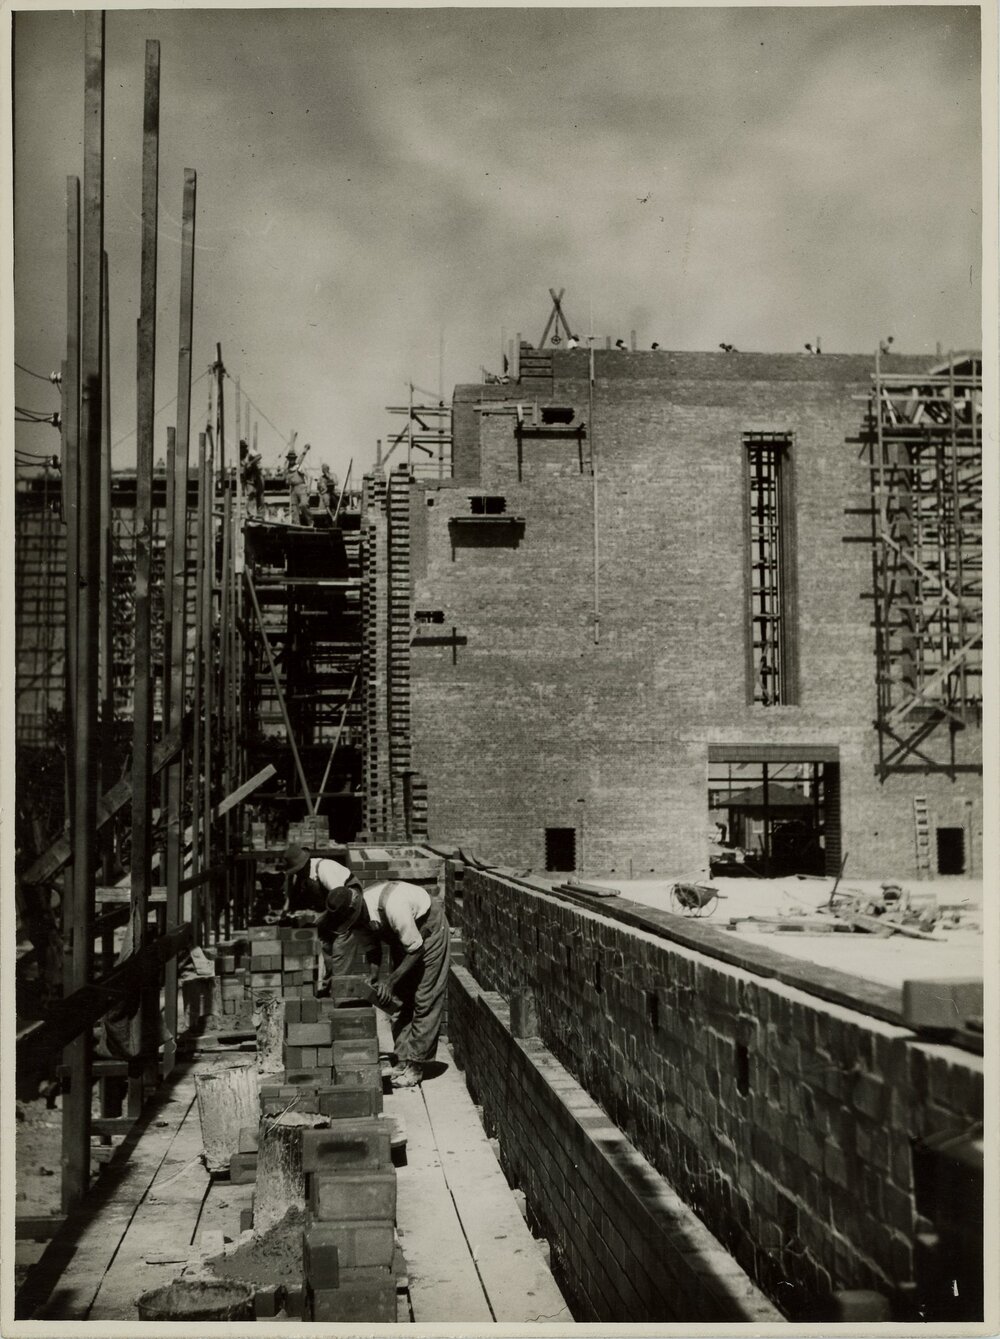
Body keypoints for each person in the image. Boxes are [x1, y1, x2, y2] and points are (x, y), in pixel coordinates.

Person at [324, 877, 450, 1088]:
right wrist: (374, 976)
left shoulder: (393, 905)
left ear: (357, 909)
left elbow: (416, 948)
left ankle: (416, 1065)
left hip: (429, 930)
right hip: (407, 939)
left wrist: (389, 980)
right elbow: (373, 949)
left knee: (424, 997)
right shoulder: (357, 918)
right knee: (399, 999)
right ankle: (402, 1060)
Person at [277, 844, 375, 980]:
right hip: (335, 910)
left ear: (305, 864)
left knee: (340, 947)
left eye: (298, 870)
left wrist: (320, 918)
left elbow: (342, 899)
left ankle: (340, 985)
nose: (297, 874)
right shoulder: (304, 876)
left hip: (349, 905)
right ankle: (330, 981)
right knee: (323, 942)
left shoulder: (324, 869)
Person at [285, 447, 314, 526]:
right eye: (290, 459)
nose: (291, 460)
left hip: (301, 487)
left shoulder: (299, 467)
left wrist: (309, 488)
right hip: (293, 489)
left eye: (293, 459)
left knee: (304, 504)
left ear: (294, 459)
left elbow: (309, 477)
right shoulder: (287, 469)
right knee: (294, 509)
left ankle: (310, 522)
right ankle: (296, 525)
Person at [240, 439, 264, 515]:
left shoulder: (250, 452)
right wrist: (243, 486)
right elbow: (242, 473)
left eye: (242, 448)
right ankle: (251, 513)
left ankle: (260, 513)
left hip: (258, 474)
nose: (241, 450)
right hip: (249, 477)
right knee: (250, 493)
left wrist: (251, 462)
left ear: (244, 448)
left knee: (260, 495)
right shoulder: (240, 458)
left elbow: (259, 456)